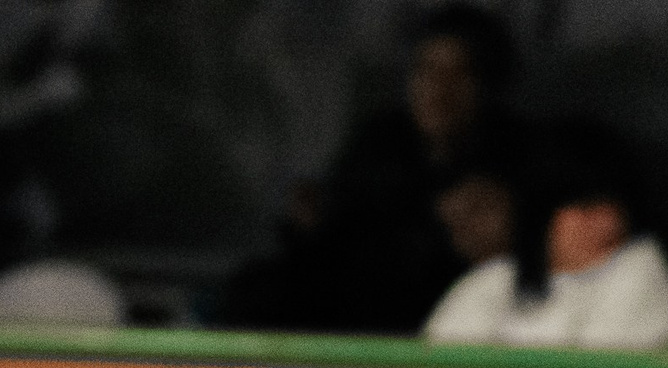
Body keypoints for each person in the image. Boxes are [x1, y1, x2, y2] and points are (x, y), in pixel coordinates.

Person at [222, 3, 528, 333]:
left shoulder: (511, 159)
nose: (439, 88)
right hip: (352, 318)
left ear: (489, 85)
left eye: (461, 73)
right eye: (426, 70)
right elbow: (333, 245)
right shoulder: (381, 144)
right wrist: (309, 224)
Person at [424, 124, 668, 350]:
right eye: (585, 209)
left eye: (614, 208)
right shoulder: (493, 282)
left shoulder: (640, 270)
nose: (608, 223)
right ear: (542, 217)